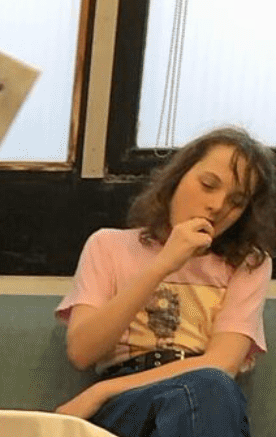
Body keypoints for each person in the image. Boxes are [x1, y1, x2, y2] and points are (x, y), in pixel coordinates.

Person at [55, 126, 276, 436]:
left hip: (207, 398)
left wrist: (100, 391)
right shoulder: (107, 245)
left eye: (236, 201)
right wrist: (164, 264)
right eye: (208, 185)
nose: (217, 206)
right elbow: (82, 351)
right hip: (128, 404)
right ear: (177, 178)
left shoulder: (249, 263)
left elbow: (222, 363)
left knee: (209, 387)